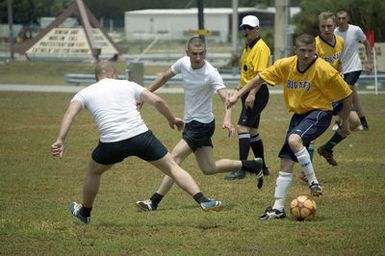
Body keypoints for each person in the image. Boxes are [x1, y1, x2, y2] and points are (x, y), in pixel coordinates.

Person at [51, 61, 225, 224]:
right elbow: (157, 101)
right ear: (114, 74)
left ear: (96, 77)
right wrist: (172, 119)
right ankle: (204, 200)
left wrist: (60, 140)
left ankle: (85, 213)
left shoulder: (85, 92)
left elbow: (69, 114)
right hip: (141, 137)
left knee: (93, 172)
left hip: (111, 143)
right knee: (173, 167)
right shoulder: (128, 84)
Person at [227, 34, 353, 220]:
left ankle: (313, 181)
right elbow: (259, 78)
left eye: (310, 51)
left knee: (294, 140)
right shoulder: (286, 65)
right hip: (299, 115)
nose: (306, 55)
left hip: (320, 113)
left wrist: (345, 122)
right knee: (286, 161)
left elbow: (347, 94)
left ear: (315, 51)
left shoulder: (324, 70)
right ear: (295, 50)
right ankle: (278, 208)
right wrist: (238, 95)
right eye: (302, 50)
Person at [135, 36, 264, 212]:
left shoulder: (211, 73)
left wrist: (227, 119)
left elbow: (227, 99)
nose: (198, 58)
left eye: (201, 53)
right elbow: (165, 77)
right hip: (191, 123)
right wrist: (144, 94)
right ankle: (252, 165)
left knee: (173, 160)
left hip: (201, 125)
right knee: (208, 168)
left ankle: (154, 201)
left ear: (205, 53)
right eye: (194, 54)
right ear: (187, 53)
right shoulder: (182, 63)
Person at [224, 15, 271, 180]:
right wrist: (240, 88)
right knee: (252, 131)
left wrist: (251, 94)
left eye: (250, 28)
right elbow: (247, 73)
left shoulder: (261, 48)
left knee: (242, 128)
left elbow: (261, 75)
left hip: (257, 94)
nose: (246, 31)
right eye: (244, 28)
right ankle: (263, 167)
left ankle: (242, 169)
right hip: (248, 92)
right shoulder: (248, 46)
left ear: (257, 29)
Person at [313, 12, 361, 167]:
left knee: (353, 122)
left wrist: (339, 71)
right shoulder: (314, 45)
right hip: (319, 93)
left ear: (334, 27)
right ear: (319, 27)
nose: (326, 29)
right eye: (323, 26)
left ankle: (327, 148)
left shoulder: (340, 41)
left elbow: (338, 63)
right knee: (311, 134)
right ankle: (307, 173)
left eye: (329, 26)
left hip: (335, 91)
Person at [334, 9, 372, 130]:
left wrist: (368, 62)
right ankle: (363, 123)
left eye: (343, 18)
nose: (341, 21)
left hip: (355, 67)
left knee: (344, 93)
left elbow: (367, 44)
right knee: (353, 96)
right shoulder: (334, 31)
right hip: (342, 69)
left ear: (347, 19)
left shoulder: (355, 30)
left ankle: (341, 122)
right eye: (339, 18)